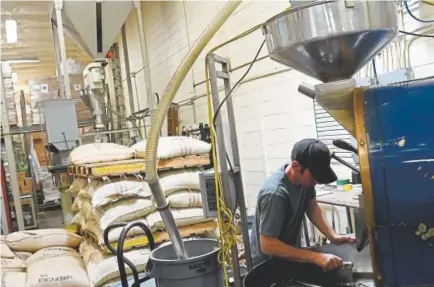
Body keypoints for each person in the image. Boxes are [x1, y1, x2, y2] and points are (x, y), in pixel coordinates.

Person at [250, 138, 355, 270]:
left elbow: (313, 209)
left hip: (287, 258)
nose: (316, 181)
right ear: (296, 166)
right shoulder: (275, 194)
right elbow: (268, 244)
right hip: (266, 266)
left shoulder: (305, 181)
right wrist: (315, 257)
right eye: (314, 177)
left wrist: (332, 236)